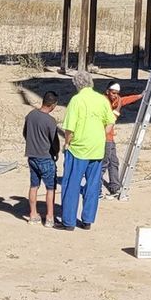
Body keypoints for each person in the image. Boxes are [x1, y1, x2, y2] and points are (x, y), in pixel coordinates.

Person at [57, 69, 114, 230]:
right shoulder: (101, 100)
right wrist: (102, 136)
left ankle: (68, 221)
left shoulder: (76, 100)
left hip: (79, 148)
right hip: (97, 147)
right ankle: (87, 220)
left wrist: (67, 144)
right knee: (93, 185)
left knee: (71, 184)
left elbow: (69, 128)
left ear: (77, 84)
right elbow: (110, 121)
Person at [21, 90, 63, 224]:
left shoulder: (31, 115)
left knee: (34, 186)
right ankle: (50, 217)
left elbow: (25, 133)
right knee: (50, 188)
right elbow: (54, 141)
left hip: (32, 156)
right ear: (53, 105)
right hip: (45, 157)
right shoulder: (50, 121)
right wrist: (55, 152)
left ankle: (33, 214)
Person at [101, 82, 133, 196]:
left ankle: (115, 186)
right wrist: (118, 107)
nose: (115, 95)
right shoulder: (103, 102)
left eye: (117, 93)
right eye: (113, 93)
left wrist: (140, 96)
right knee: (103, 163)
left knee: (113, 161)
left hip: (110, 137)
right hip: (104, 137)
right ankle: (97, 189)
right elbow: (112, 118)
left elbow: (125, 100)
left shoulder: (115, 100)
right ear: (107, 91)